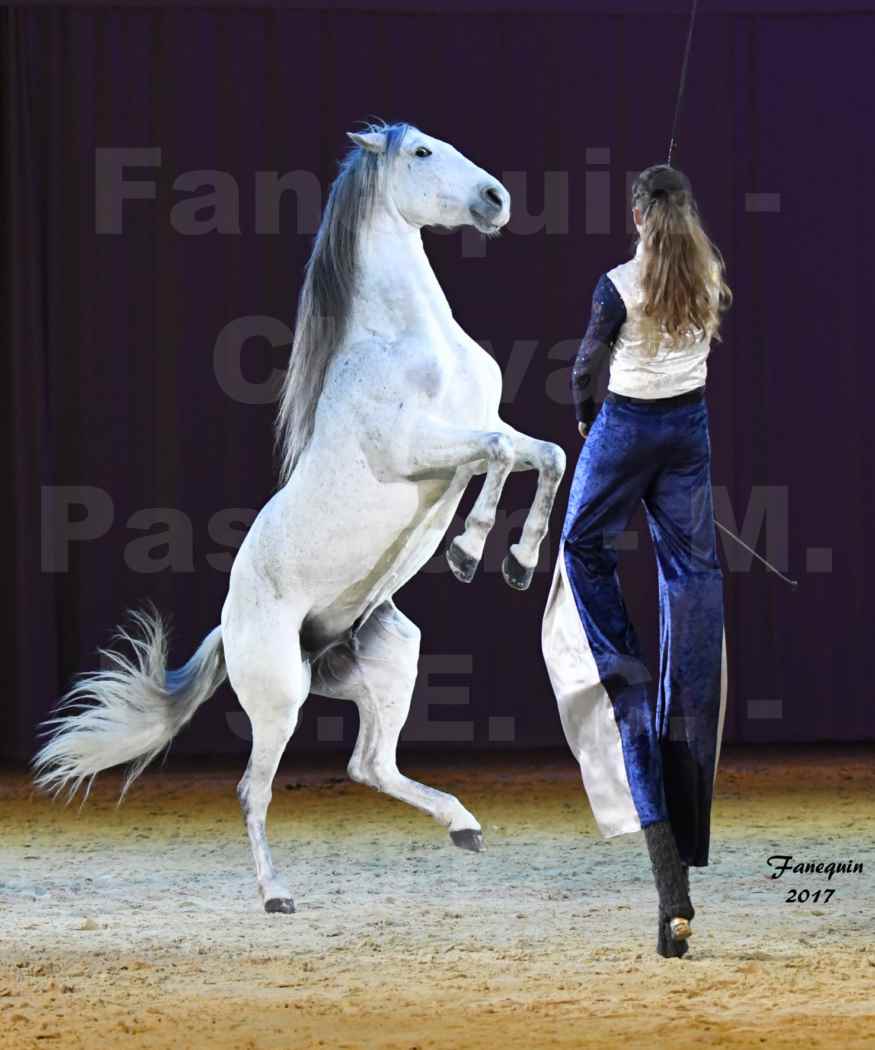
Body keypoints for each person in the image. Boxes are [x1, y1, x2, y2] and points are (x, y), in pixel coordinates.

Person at [541, 163, 732, 957]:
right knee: (691, 583)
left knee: (582, 546)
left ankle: (620, 665)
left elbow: (586, 369)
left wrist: (590, 426)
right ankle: (678, 670)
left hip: (625, 428)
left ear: (634, 215)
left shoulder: (616, 284)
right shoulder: (709, 275)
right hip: (686, 435)